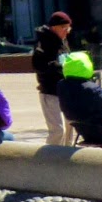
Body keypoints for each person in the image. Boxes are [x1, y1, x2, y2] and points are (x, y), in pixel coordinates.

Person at [32, 11, 73, 146]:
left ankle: (67, 156)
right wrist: (60, 67)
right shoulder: (43, 42)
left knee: (70, 126)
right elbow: (38, 66)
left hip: (66, 90)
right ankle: (49, 156)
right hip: (50, 91)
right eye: (64, 28)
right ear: (54, 27)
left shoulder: (63, 41)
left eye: (68, 28)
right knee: (57, 131)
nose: (67, 31)